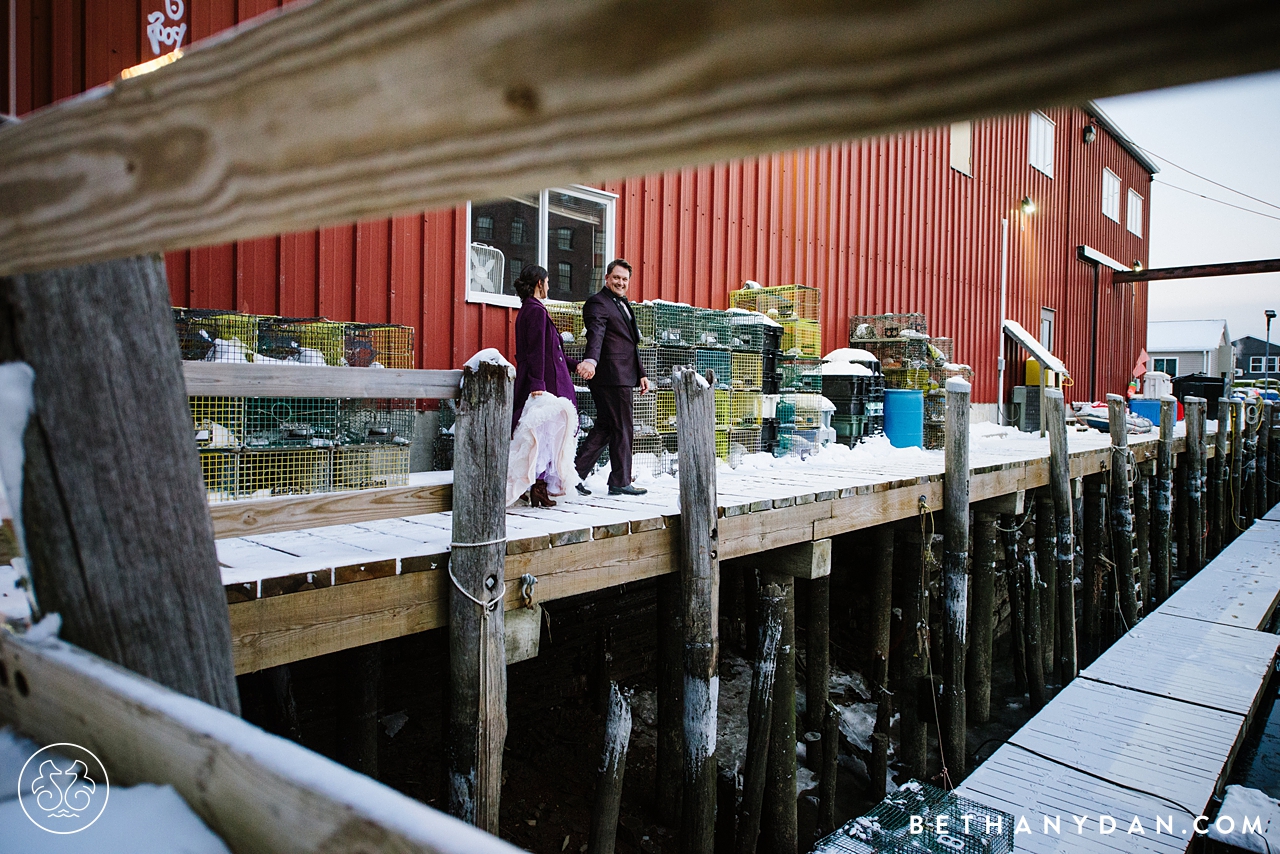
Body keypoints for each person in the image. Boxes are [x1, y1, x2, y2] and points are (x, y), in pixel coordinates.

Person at [575, 259, 650, 495]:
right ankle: (620, 480)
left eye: (625, 279)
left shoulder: (620, 303)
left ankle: (573, 475)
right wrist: (591, 360)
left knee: (606, 427)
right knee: (624, 427)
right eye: (616, 277)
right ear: (606, 278)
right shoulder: (598, 303)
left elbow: (629, 344)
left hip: (623, 374)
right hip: (611, 376)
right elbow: (595, 334)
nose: (620, 282)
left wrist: (641, 373)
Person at [510, 265, 579, 507]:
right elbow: (537, 349)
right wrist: (538, 383)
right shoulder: (536, 311)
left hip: (546, 377)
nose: (549, 286)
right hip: (546, 382)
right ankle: (536, 486)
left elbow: (553, 349)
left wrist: (576, 365)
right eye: (547, 282)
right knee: (543, 434)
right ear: (540, 283)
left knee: (540, 434)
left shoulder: (530, 309)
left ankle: (536, 486)